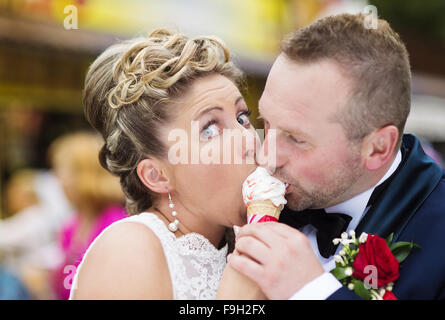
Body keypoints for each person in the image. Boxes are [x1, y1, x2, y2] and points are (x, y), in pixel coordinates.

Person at [227, 13, 445, 300]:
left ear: (378, 148)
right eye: (266, 123)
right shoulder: (235, 197)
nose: (266, 156)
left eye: (296, 138)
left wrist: (314, 292)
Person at [69, 29, 258, 299]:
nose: (249, 140)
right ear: (156, 175)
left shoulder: (252, 241)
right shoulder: (128, 248)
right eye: (210, 129)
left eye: (241, 118)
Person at [49, 132, 128, 299]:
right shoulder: (70, 226)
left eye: (61, 170)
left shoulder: (116, 225)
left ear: (84, 175)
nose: (57, 180)